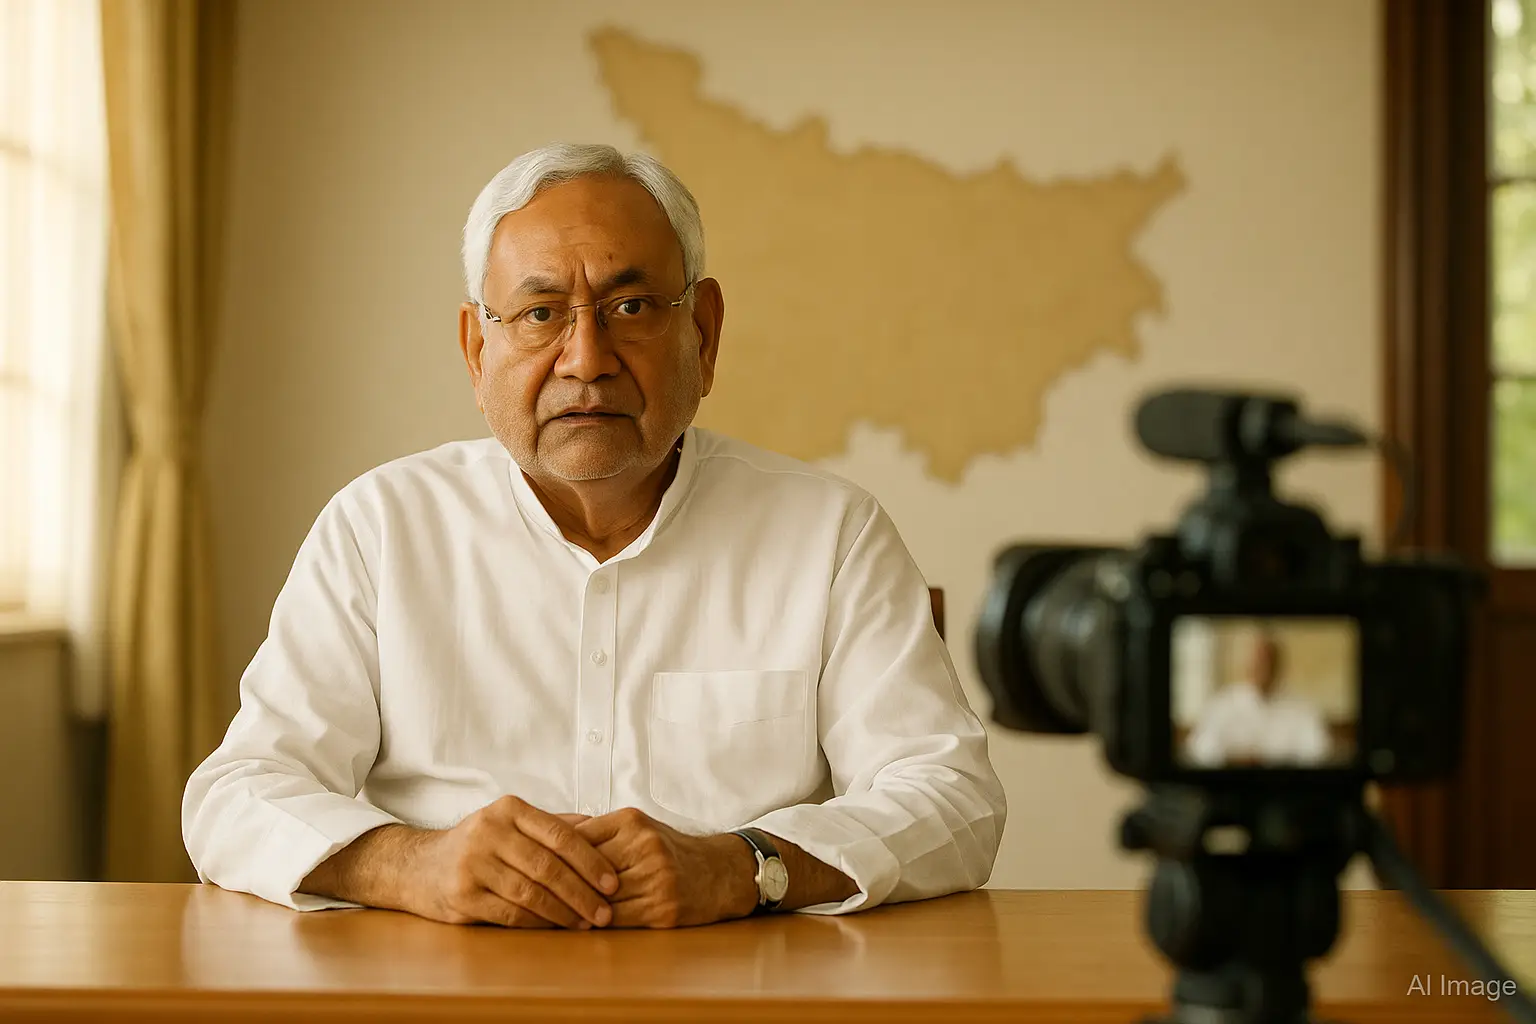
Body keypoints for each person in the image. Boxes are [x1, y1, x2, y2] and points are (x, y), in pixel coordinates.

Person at [182, 143, 1006, 930]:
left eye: (632, 308)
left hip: (736, 994)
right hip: (443, 991)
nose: (586, 359)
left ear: (705, 335)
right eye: (540, 313)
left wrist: (745, 866)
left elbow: (953, 798)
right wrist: (413, 866)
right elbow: (237, 792)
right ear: (478, 350)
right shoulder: (382, 528)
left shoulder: (830, 533)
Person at [1184, 630, 1332, 768]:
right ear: (1246, 664)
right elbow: (1200, 749)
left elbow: (1318, 751)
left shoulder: (1303, 708)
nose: (1262, 668)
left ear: (1278, 665)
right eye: (1257, 661)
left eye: (1267, 661)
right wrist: (1235, 758)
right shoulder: (1223, 703)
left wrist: (1271, 761)